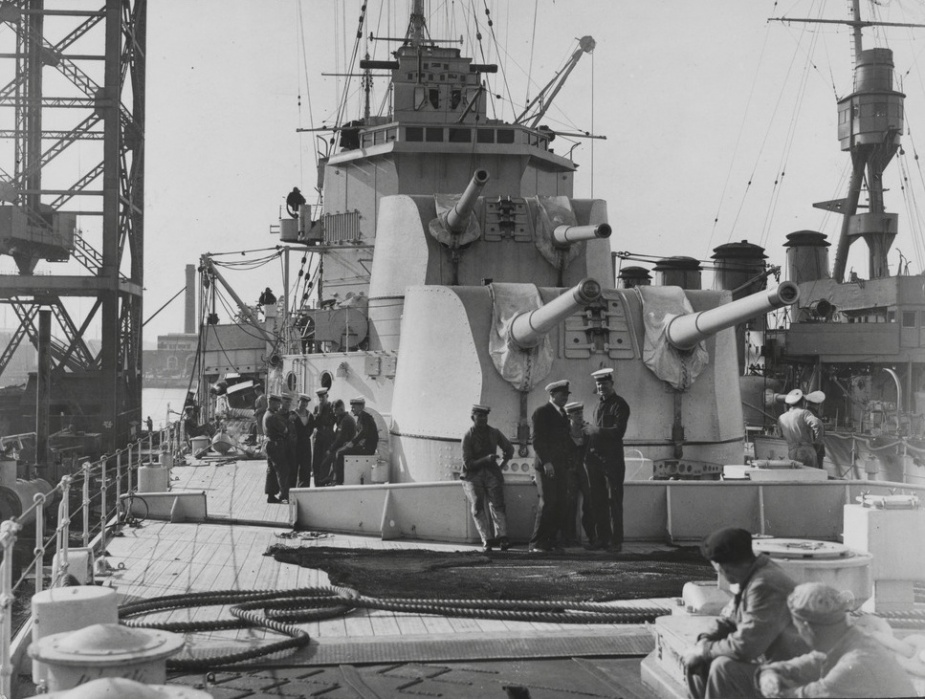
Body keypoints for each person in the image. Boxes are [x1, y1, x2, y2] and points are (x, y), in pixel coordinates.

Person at [682, 527, 809, 699]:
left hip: (794, 678)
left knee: (724, 668)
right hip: (775, 667)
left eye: (718, 570)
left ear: (724, 568)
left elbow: (746, 646)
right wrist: (704, 641)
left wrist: (705, 650)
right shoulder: (753, 575)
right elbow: (731, 620)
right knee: (698, 662)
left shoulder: (765, 584)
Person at [756, 582, 915, 698]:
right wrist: (772, 672)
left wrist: (769, 682)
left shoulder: (856, 662)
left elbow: (803, 695)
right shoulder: (848, 640)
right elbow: (814, 661)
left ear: (806, 628)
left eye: (796, 627)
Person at [583, 367, 630, 552]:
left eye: (604, 383)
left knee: (613, 501)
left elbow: (619, 432)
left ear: (612, 383)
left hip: (612, 461)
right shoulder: (598, 405)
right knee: (598, 500)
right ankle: (602, 539)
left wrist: (596, 431)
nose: (601, 387)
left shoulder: (620, 405)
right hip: (596, 459)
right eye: (598, 384)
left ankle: (615, 542)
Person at [460, 404, 513, 552]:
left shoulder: (494, 433)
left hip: (491, 473)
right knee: (477, 506)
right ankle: (486, 539)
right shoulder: (467, 436)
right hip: (472, 475)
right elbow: (468, 463)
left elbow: (509, 449)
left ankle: (502, 537)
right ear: (473, 418)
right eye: (479, 416)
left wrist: (500, 465)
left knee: (497, 504)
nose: (483, 419)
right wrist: (486, 459)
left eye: (485, 416)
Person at [528, 380, 573, 553]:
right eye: (562, 395)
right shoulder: (542, 413)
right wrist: (546, 462)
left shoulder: (563, 414)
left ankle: (551, 541)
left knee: (561, 503)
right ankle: (537, 543)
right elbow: (538, 440)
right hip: (546, 466)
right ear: (552, 395)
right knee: (547, 503)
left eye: (567, 396)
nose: (565, 399)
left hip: (561, 467)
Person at [565, 400, 598, 546]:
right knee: (569, 503)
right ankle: (569, 538)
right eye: (575, 413)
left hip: (585, 471)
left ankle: (592, 537)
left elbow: (597, 451)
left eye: (580, 412)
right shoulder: (563, 433)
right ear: (569, 416)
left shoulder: (588, 432)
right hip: (568, 471)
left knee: (590, 503)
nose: (579, 415)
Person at [332, 398, 379, 482]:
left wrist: (353, 443)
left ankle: (338, 481)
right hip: (366, 447)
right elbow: (363, 434)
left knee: (339, 453)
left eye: (353, 407)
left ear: (360, 407)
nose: (352, 409)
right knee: (342, 449)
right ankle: (338, 478)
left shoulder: (364, 416)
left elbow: (363, 432)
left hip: (367, 449)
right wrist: (351, 443)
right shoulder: (363, 416)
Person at [778, 389, 822, 468]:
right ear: (802, 402)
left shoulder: (781, 418)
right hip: (807, 451)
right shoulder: (804, 413)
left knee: (798, 477)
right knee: (812, 477)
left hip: (792, 453)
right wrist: (817, 443)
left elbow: (780, 435)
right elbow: (818, 424)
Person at [262, 394, 291, 503]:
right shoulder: (272, 416)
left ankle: (270, 495)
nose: (279, 405)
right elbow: (284, 430)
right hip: (276, 445)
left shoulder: (266, 414)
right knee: (282, 470)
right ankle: (284, 495)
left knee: (271, 471)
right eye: (277, 403)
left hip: (269, 444)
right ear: (272, 403)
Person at [324, 399, 356, 485]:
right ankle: (331, 478)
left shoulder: (345, 421)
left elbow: (341, 439)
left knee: (329, 458)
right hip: (344, 445)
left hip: (346, 446)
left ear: (341, 409)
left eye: (335, 410)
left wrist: (330, 449)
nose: (334, 413)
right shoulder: (342, 419)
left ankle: (336, 480)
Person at [289, 393, 315, 488]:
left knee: (305, 469)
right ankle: (290, 492)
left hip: (305, 445)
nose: (304, 404)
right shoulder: (292, 414)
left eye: (306, 402)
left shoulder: (310, 415)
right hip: (295, 445)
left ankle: (303, 490)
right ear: (298, 402)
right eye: (302, 401)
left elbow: (311, 430)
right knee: (293, 469)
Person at [312, 387, 336, 485]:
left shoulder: (331, 407)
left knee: (326, 461)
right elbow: (314, 423)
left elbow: (334, 420)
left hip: (328, 437)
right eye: (319, 397)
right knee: (316, 461)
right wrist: (319, 413)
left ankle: (324, 481)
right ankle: (317, 483)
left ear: (327, 396)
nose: (321, 399)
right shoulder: (317, 408)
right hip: (318, 437)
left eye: (323, 396)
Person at [804, 390, 826, 468]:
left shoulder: (805, 413)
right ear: (816, 405)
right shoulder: (812, 415)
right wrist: (817, 446)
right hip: (814, 448)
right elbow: (818, 430)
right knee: (817, 471)